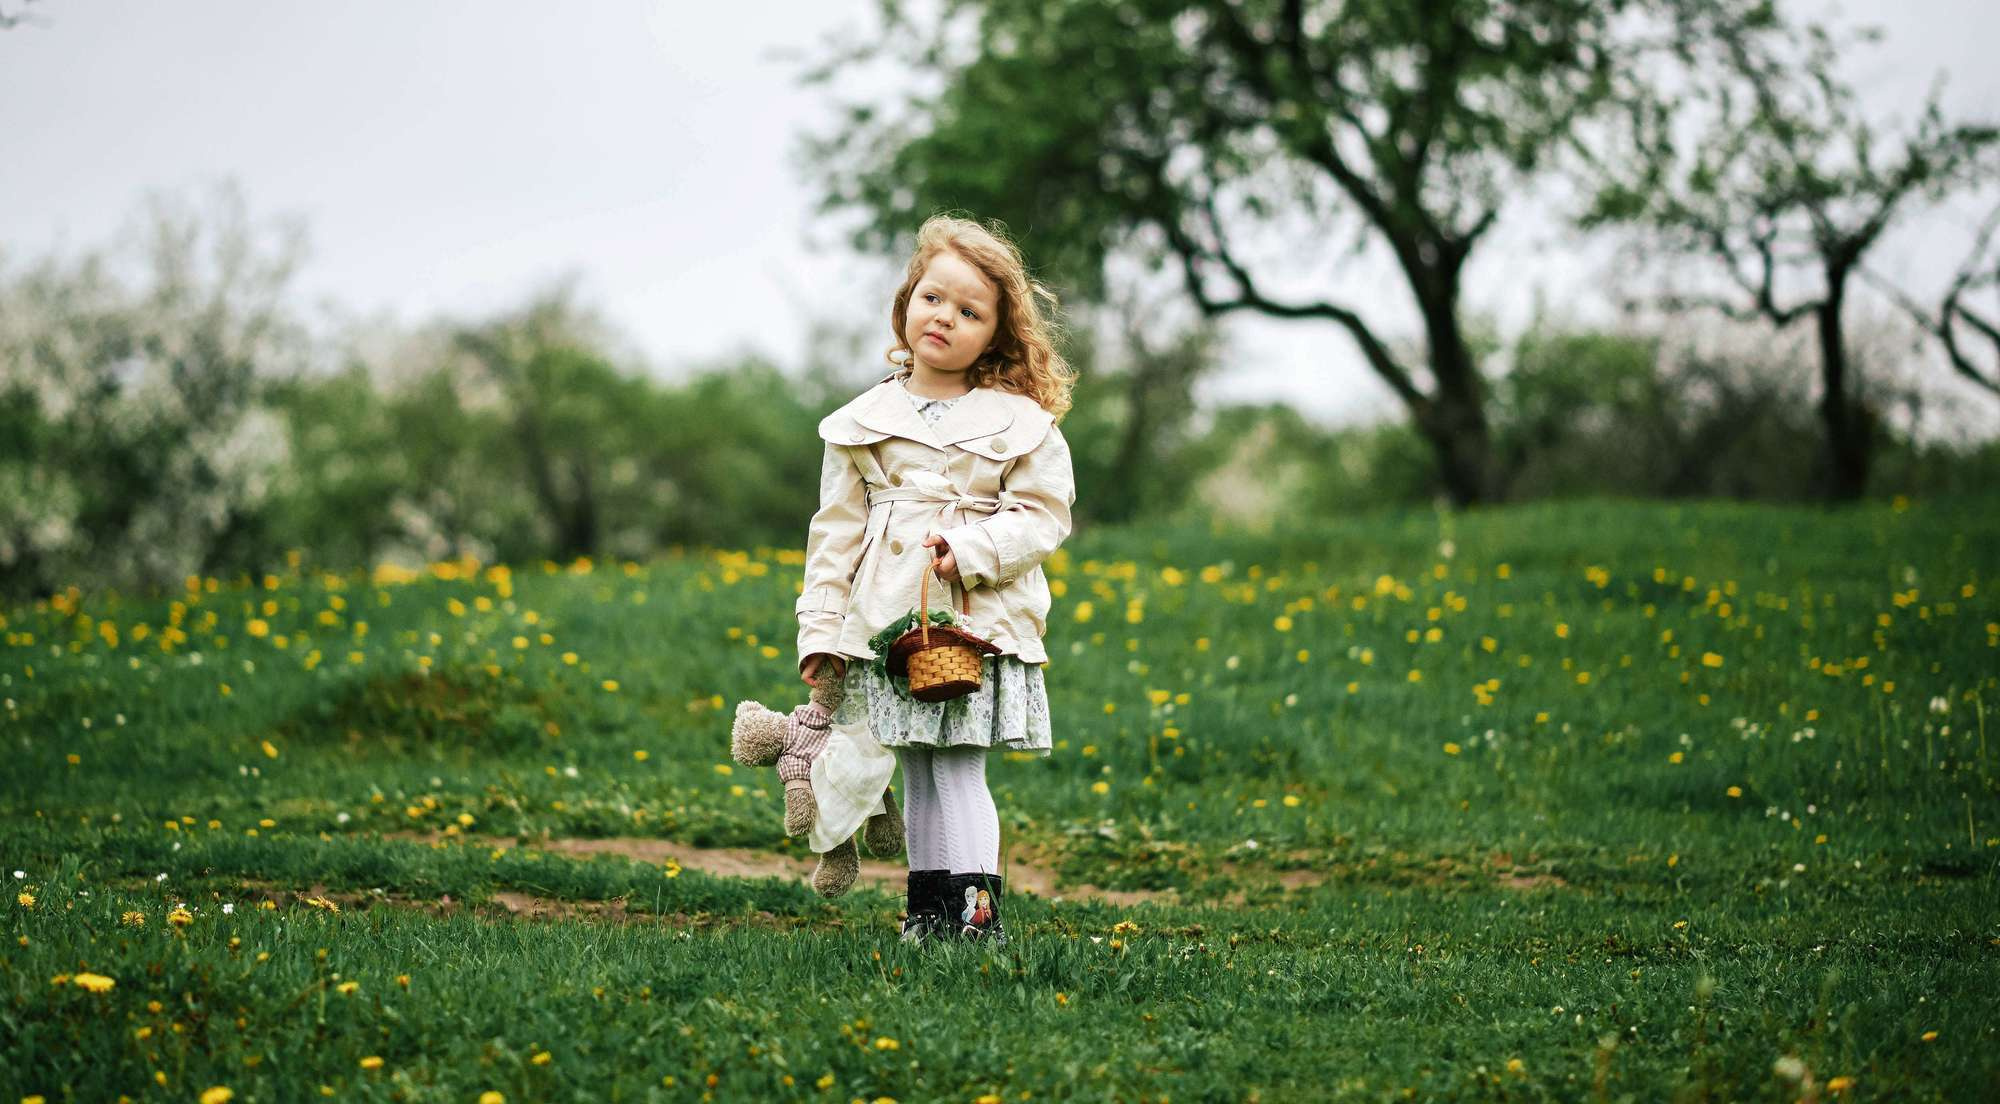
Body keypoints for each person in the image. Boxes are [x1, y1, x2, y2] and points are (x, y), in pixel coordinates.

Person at [797, 213, 1077, 945]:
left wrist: (972, 546)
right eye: (932, 298)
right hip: (888, 627)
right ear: (905, 302)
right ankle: (929, 916)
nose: (944, 318)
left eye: (969, 311)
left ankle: (976, 921)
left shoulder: (1020, 423)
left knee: (957, 768)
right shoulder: (861, 423)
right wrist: (821, 632)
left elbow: (1043, 517)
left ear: (996, 334)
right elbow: (834, 537)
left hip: (975, 627)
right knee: (919, 768)